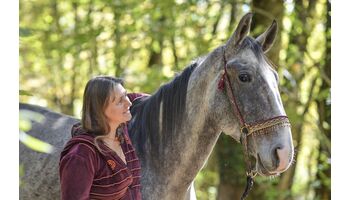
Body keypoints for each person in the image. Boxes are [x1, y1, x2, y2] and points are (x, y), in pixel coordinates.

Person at [59, 76, 148, 200]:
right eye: (119, 101)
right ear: (100, 109)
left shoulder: (121, 129)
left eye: (125, 95)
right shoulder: (81, 155)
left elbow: (141, 98)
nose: (129, 103)